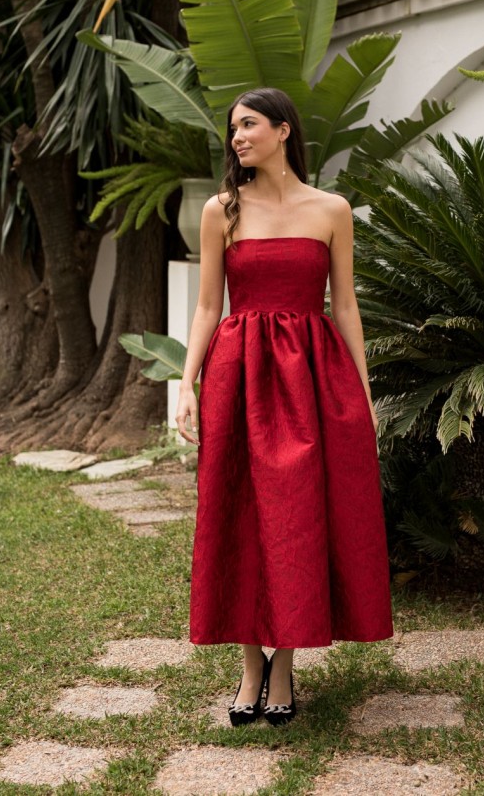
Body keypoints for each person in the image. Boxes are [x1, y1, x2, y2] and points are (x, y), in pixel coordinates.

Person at [175, 87, 393, 727]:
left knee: (299, 515)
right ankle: (249, 668)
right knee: (238, 510)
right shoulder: (222, 211)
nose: (237, 137)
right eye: (232, 129)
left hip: (311, 377)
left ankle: (286, 664)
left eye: (248, 125)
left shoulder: (332, 209)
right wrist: (186, 385)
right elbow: (208, 307)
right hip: (238, 375)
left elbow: (345, 306)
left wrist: (364, 389)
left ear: (282, 130)